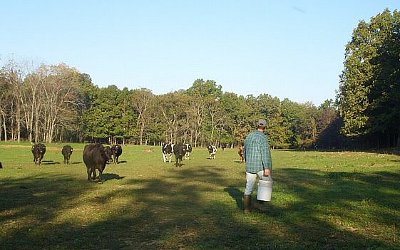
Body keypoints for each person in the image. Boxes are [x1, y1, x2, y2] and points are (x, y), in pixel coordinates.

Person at [243, 119, 272, 213]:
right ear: (265, 127)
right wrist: (267, 168)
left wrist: (247, 161)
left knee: (249, 187)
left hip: (250, 166)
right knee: (266, 183)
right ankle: (259, 204)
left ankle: (247, 209)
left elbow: (244, 151)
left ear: (257, 126)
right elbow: (265, 153)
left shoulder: (249, 136)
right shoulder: (263, 138)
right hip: (260, 166)